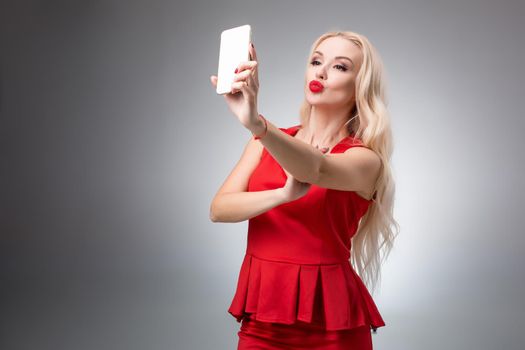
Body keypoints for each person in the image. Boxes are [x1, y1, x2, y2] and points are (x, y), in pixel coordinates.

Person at [209, 30, 399, 350]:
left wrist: (257, 124)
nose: (321, 72)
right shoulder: (264, 143)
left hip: (332, 328)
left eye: (340, 67)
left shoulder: (365, 160)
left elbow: (317, 169)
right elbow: (219, 209)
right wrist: (282, 195)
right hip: (262, 318)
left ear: (359, 87)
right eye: (315, 61)